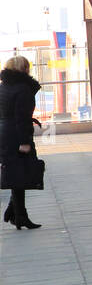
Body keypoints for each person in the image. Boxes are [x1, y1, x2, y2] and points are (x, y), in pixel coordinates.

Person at [0, 55, 42, 229]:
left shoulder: (3, 87)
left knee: (16, 172)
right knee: (22, 171)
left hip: (4, 133)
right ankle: (17, 214)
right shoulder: (23, 89)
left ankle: (16, 213)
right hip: (17, 135)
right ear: (24, 68)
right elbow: (22, 118)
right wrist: (24, 141)